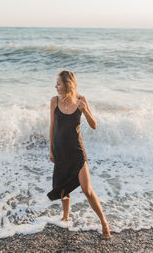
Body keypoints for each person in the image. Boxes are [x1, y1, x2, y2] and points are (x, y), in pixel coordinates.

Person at [47, 70, 111, 239]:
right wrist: (51, 149)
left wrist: (86, 111)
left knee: (87, 189)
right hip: (60, 150)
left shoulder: (81, 100)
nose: (56, 86)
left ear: (67, 85)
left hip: (77, 151)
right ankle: (65, 217)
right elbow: (52, 127)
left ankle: (104, 222)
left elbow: (94, 125)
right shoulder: (54, 101)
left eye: (58, 84)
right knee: (63, 188)